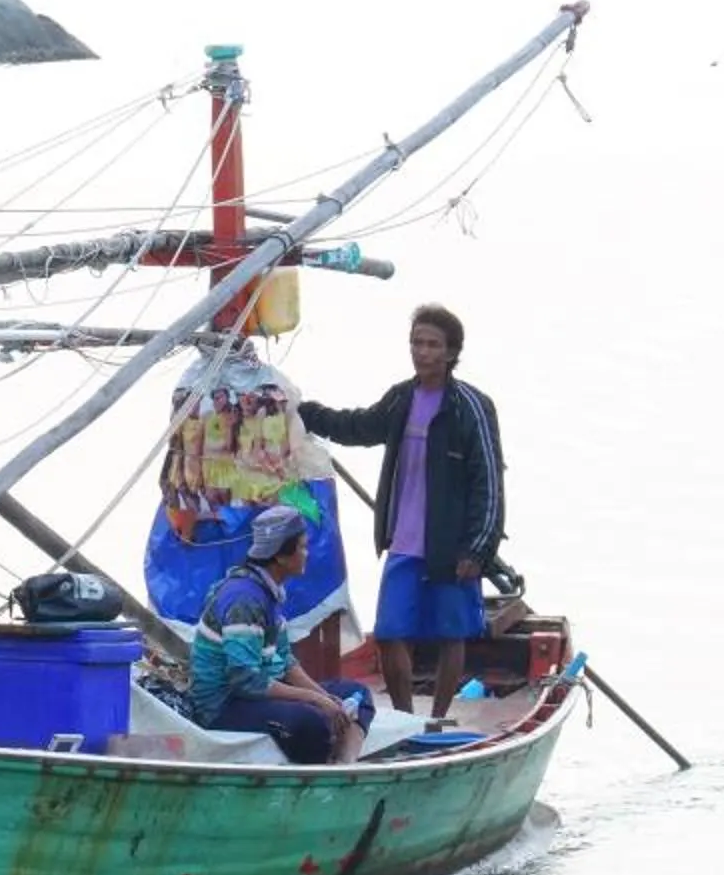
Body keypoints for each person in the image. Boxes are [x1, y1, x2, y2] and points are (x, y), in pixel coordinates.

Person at [299, 304, 507, 723]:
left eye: (433, 345)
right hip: (403, 540)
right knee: (392, 632)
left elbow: (490, 483)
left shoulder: (471, 407)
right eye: (417, 343)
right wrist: (305, 413)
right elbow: (358, 427)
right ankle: (407, 717)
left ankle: (441, 716)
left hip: (452, 545)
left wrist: (478, 548)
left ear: (451, 353)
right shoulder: (402, 398)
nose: (423, 352)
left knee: (453, 633)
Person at [187, 503, 365, 763]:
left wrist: (324, 697)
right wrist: (314, 700)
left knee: (356, 694)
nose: (307, 553)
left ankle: (344, 765)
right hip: (223, 706)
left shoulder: (269, 592)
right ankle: (318, 777)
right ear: (280, 556)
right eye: (302, 547)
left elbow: (285, 661)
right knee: (312, 723)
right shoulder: (244, 601)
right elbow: (245, 681)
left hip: (253, 693)